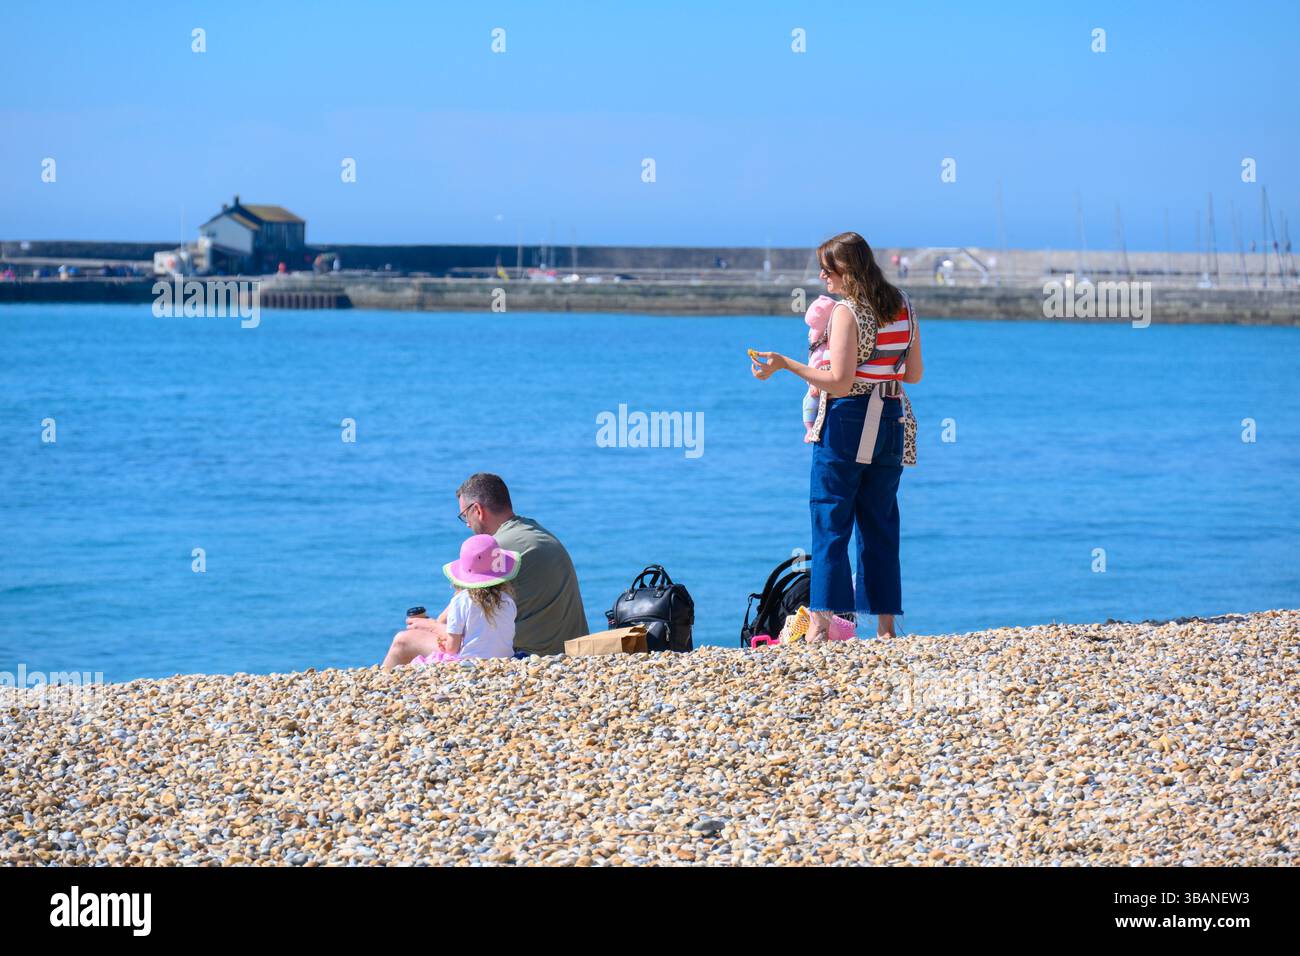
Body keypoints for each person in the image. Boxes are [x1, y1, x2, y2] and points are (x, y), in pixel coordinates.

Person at [750, 231, 924, 640]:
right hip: (892, 419)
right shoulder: (904, 305)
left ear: (848, 269)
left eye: (828, 270)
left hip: (849, 420)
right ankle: (885, 628)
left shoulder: (846, 312)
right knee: (880, 522)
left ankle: (821, 626)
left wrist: (786, 365)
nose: (823, 277)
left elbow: (841, 382)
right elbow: (913, 374)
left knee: (830, 518)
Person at [383, 473, 587, 664]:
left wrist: (429, 625)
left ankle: (379, 696)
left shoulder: (498, 550)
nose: (467, 525)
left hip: (531, 658)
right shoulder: (534, 531)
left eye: (464, 516)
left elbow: (448, 619)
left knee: (404, 640)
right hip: (573, 653)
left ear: (478, 510)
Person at [384, 534, 519, 669]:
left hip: (469, 664)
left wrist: (444, 642)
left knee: (416, 656)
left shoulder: (461, 601)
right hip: (504, 661)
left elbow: (452, 648)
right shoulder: (508, 600)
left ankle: (384, 677)